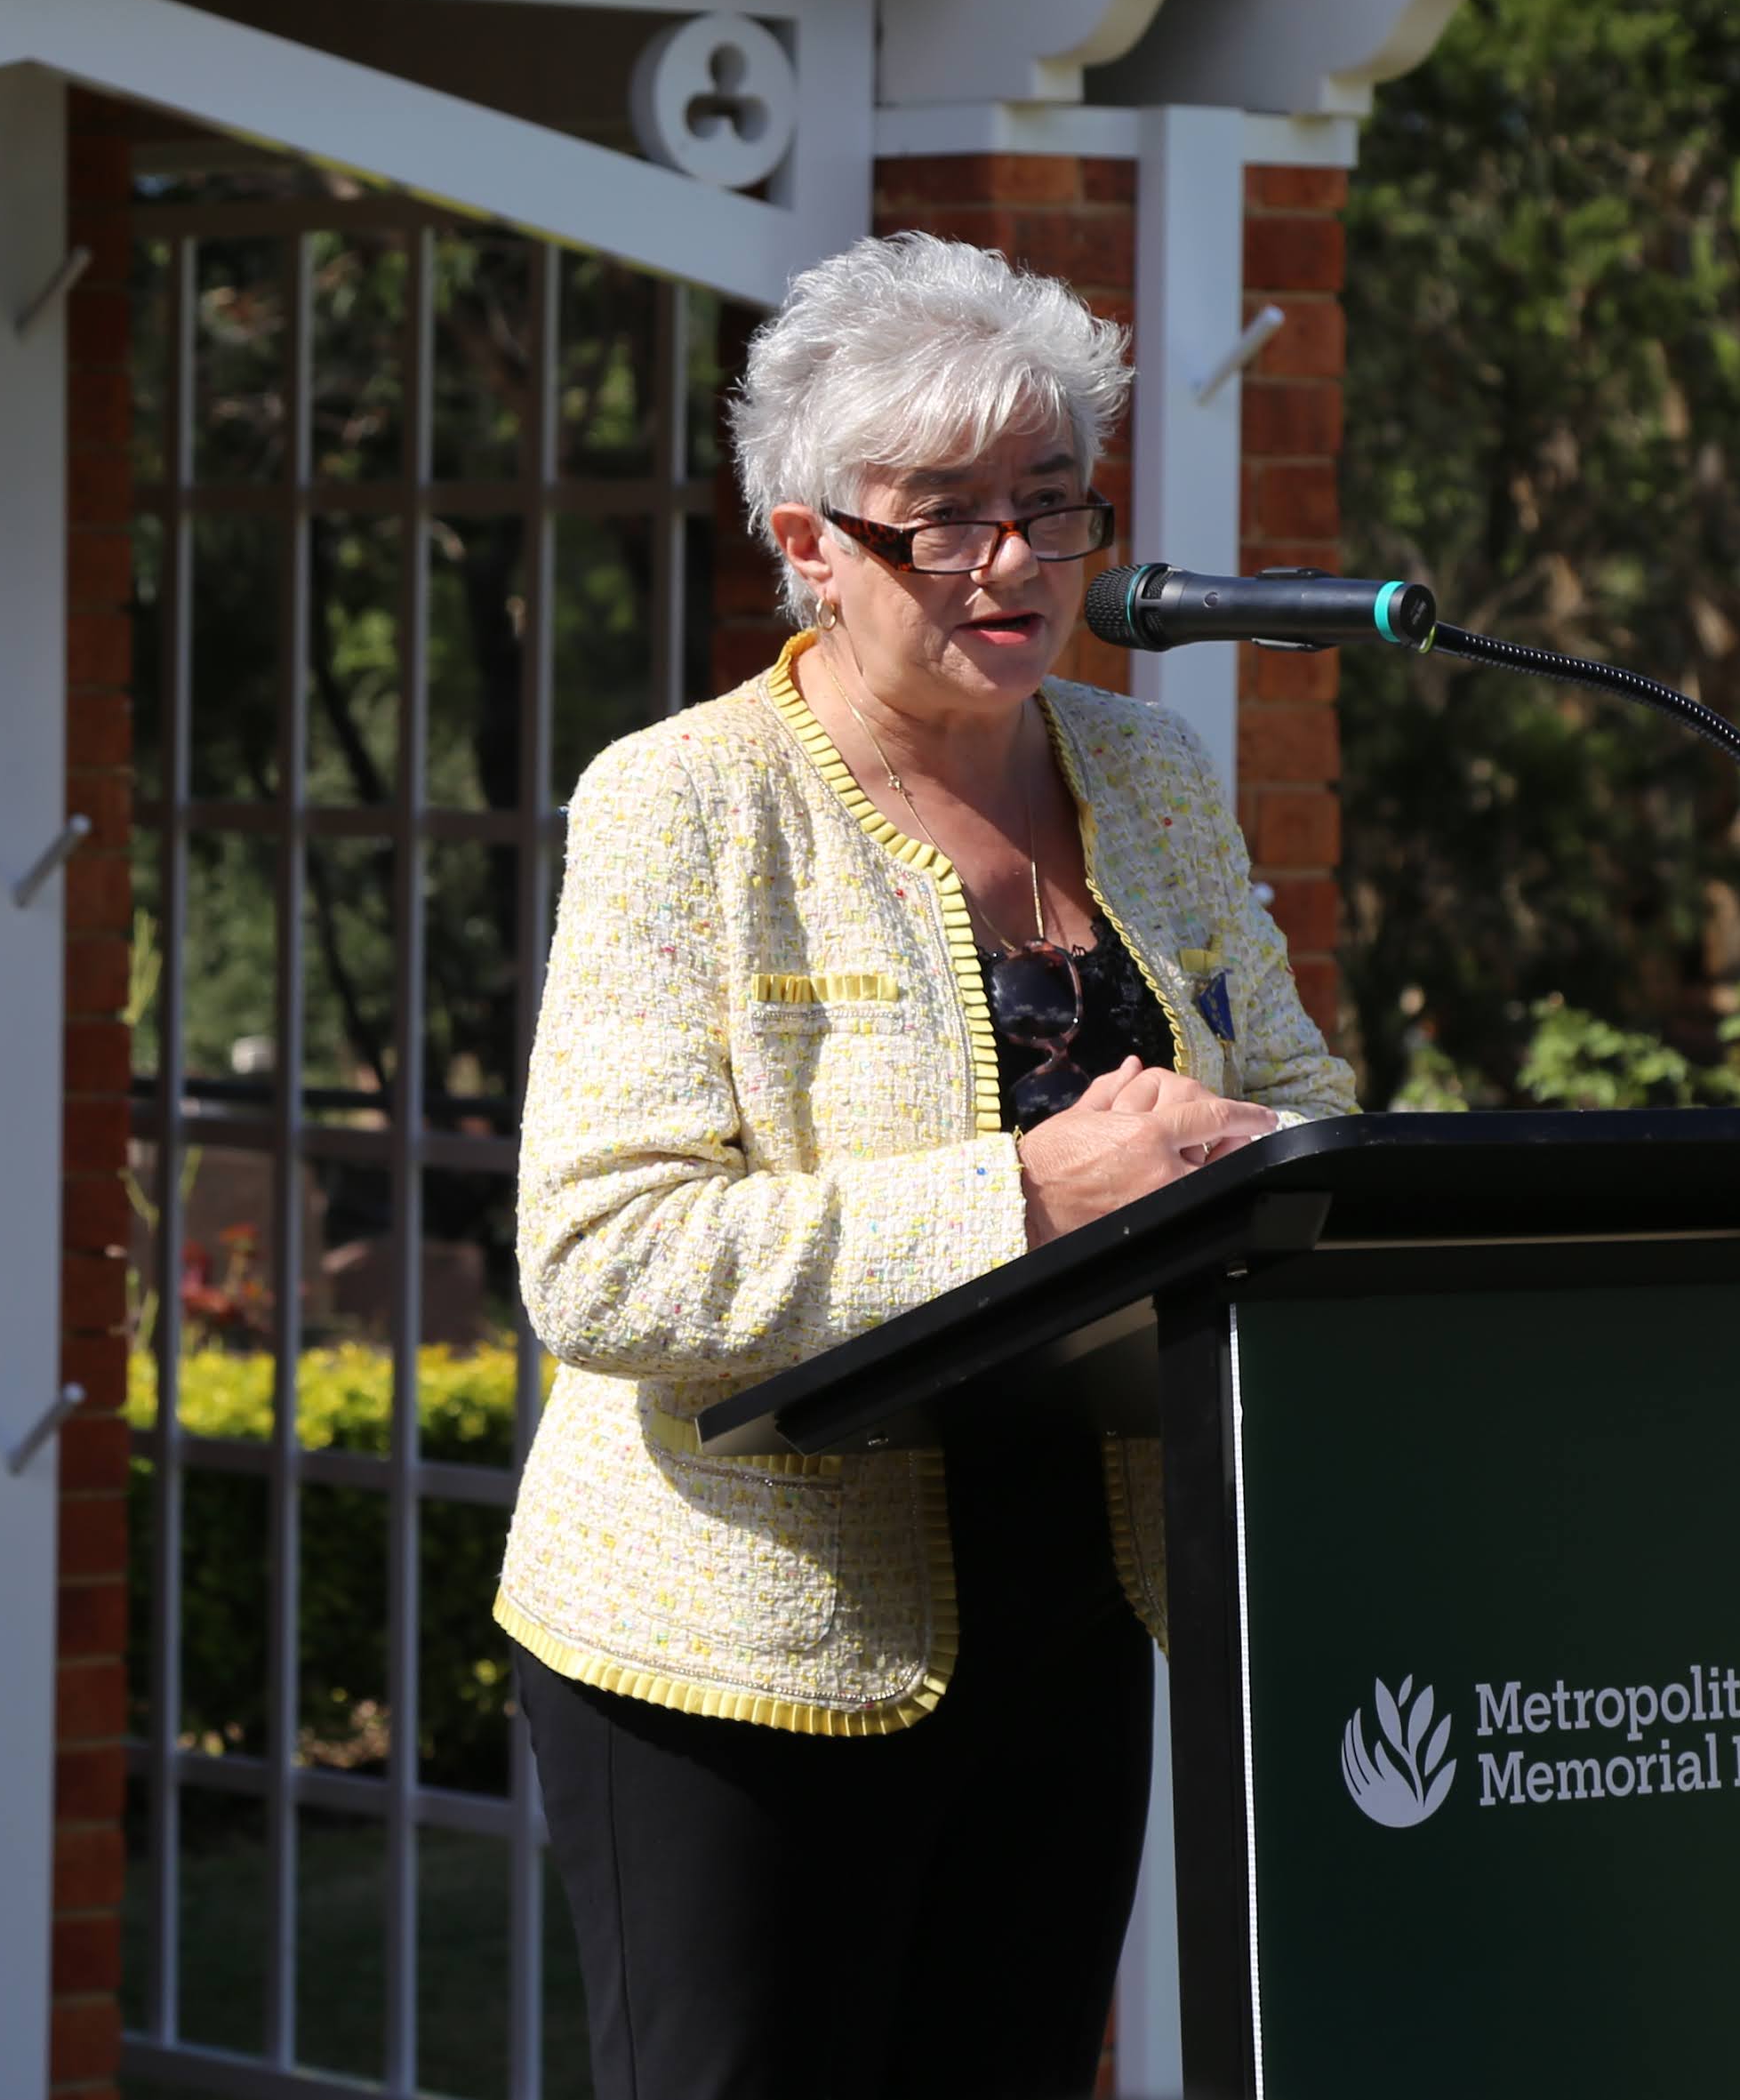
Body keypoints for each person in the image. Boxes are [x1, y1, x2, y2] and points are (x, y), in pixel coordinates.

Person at [495, 231, 1357, 2100]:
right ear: (805, 542)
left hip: (1075, 1588)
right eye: (941, 519)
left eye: (1051, 507)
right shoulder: (682, 801)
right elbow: (603, 1258)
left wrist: (1282, 1153)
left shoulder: (1149, 769)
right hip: (734, 1646)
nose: (1014, 564)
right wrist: (1028, 1198)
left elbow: (1284, 1078)